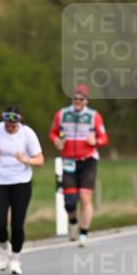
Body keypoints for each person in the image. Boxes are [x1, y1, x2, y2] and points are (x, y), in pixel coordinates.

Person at [0, 105, 44, 274]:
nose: (10, 128)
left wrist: (25, 160)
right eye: (7, 125)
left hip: (21, 181)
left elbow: (40, 160)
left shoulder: (27, 133)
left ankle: (16, 258)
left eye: (13, 126)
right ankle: (4, 247)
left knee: (17, 223)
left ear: (19, 122)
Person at [49, 84, 108, 247]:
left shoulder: (94, 116)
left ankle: (83, 233)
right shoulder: (62, 114)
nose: (77, 101)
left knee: (85, 196)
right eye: (75, 98)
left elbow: (104, 138)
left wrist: (95, 141)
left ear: (86, 101)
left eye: (81, 99)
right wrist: (56, 140)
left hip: (88, 160)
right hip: (68, 160)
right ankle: (73, 222)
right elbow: (53, 132)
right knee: (69, 202)